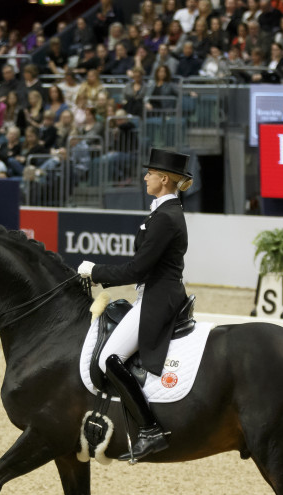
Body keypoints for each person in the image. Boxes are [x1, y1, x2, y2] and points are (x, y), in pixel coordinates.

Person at [76, 148, 193, 463]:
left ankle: (150, 429)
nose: (145, 177)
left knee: (110, 359)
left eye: (150, 174)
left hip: (159, 296)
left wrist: (95, 272)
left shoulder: (167, 217)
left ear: (164, 179)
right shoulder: (162, 213)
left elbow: (137, 269)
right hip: (153, 292)